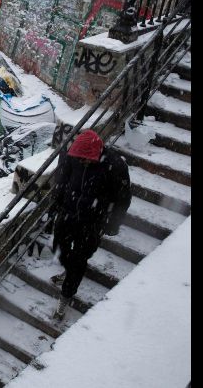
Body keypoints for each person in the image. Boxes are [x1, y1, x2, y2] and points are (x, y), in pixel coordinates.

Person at [49, 129, 132, 320]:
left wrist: (113, 224)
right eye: (78, 159)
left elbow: (123, 198)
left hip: (92, 222)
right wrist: (56, 204)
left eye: (85, 160)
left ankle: (66, 295)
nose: (82, 162)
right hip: (68, 213)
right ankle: (68, 269)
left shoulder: (115, 165)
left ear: (96, 153)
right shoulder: (72, 155)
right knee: (58, 247)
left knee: (79, 260)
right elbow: (62, 179)